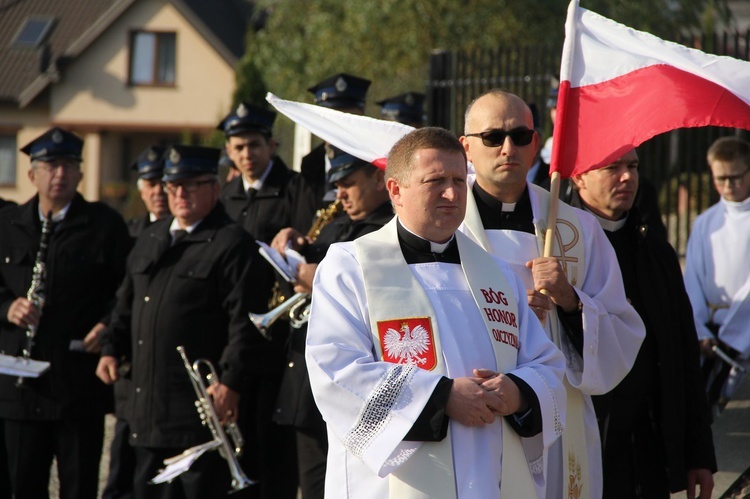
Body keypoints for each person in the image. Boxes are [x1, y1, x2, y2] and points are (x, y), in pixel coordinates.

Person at [306, 127, 566, 498]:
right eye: (436, 181)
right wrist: (441, 398)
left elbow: (548, 366)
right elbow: (336, 371)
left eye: (460, 181)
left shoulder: (498, 274)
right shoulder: (351, 267)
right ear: (395, 190)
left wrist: (518, 391)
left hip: (490, 478)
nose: (452, 193)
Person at [458, 89, 645, 499]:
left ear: (537, 142)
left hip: (556, 417)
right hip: (474, 411)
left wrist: (567, 301)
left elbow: (623, 332)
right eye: (492, 137)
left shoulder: (578, 230)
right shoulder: (444, 229)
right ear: (466, 146)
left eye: (520, 136)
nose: (508, 148)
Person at [96, 145, 270, 498]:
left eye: (191, 185)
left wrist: (231, 382)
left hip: (197, 420)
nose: (179, 194)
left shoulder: (232, 243)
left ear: (215, 188)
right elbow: (125, 304)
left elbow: (245, 322)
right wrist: (111, 348)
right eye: (173, 186)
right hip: (145, 412)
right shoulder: (151, 236)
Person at [568, 148, 716, 499]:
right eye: (612, 167)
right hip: (587, 442)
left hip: (648, 442)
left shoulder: (654, 250)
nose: (627, 177)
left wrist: (699, 454)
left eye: (632, 166)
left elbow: (683, 354)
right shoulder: (556, 251)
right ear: (578, 177)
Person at [0, 126, 131, 498]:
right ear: (31, 174)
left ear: (81, 173)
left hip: (77, 384)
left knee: (78, 486)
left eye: (69, 165)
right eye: (51, 165)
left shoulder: (105, 226)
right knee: (22, 485)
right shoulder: (7, 225)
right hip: (20, 389)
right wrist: (7, 307)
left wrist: (108, 324)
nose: (60, 174)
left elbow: (127, 290)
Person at [270, 147, 393, 499]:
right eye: (336, 184)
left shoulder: (386, 230)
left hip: (356, 386)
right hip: (309, 387)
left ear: (379, 180)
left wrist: (319, 277)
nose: (339, 194)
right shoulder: (337, 224)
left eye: (349, 184)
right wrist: (295, 244)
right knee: (311, 485)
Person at [217, 102, 299, 499]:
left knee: (275, 446)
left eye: (254, 145)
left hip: (279, 336)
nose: (247, 154)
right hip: (235, 330)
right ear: (230, 152)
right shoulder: (226, 195)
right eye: (238, 147)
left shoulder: (294, 188)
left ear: (271, 144)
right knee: (239, 436)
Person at [103, 145, 170, 499]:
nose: (158, 190)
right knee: (122, 455)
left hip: (164, 371)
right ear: (140, 188)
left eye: (163, 181)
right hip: (131, 364)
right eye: (150, 182)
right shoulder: (128, 233)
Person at [684, 136, 750, 414]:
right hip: (710, 338)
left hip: (744, 336)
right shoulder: (705, 222)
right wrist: (700, 330)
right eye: (720, 178)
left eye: (735, 177)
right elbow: (693, 281)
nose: (727, 186)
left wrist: (734, 337)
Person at [289, 73, 372, 233]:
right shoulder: (304, 178)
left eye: (348, 119)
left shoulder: (380, 171)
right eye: (330, 120)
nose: (339, 129)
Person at [127, 145, 169, 238]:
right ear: (141, 192)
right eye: (152, 184)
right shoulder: (129, 232)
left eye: (164, 183)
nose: (158, 191)